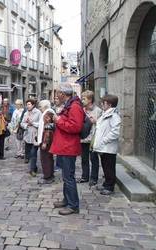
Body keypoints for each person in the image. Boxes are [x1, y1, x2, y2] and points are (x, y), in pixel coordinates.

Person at [50, 83, 84, 215]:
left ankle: (73, 205)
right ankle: (67, 200)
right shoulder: (70, 105)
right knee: (65, 176)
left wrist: (58, 121)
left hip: (68, 146)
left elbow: (76, 127)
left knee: (68, 177)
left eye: (57, 92)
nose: (56, 95)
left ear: (63, 94)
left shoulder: (74, 107)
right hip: (64, 145)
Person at [93, 95, 121, 195]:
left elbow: (115, 132)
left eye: (103, 103)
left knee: (109, 167)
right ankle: (106, 184)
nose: (101, 104)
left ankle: (109, 186)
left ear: (109, 104)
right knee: (105, 166)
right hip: (104, 147)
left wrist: (104, 140)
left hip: (108, 147)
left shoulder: (114, 116)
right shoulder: (105, 114)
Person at [78, 90, 102, 186]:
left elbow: (103, 125)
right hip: (83, 138)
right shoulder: (81, 110)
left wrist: (96, 121)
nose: (82, 100)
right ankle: (85, 176)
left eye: (84, 99)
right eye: (82, 98)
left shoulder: (98, 111)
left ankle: (94, 178)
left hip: (93, 139)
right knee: (84, 159)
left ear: (90, 99)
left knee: (94, 159)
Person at [36, 100, 56, 184]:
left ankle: (47, 176)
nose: (39, 108)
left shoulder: (48, 113)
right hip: (48, 139)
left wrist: (44, 142)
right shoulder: (49, 113)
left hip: (47, 139)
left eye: (40, 106)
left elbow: (48, 129)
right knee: (48, 157)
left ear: (44, 106)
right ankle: (50, 175)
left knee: (45, 158)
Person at [21, 99, 41, 177]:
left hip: (35, 136)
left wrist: (32, 123)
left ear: (33, 105)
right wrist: (26, 125)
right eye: (27, 104)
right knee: (29, 154)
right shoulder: (26, 113)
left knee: (33, 153)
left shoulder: (38, 112)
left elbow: (40, 123)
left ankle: (32, 170)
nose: (27, 106)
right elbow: (22, 123)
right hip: (27, 135)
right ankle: (34, 167)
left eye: (29, 104)